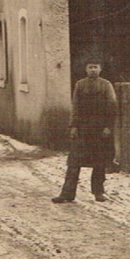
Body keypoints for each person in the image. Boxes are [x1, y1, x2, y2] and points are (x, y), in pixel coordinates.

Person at [52, 60, 118, 203]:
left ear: (100, 69)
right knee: (74, 163)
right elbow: (75, 106)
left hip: (100, 129)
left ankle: (98, 192)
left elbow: (112, 107)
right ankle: (67, 193)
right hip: (83, 129)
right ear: (86, 69)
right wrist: (73, 126)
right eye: (90, 67)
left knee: (99, 162)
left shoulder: (106, 85)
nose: (93, 70)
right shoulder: (80, 85)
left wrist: (108, 127)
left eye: (96, 67)